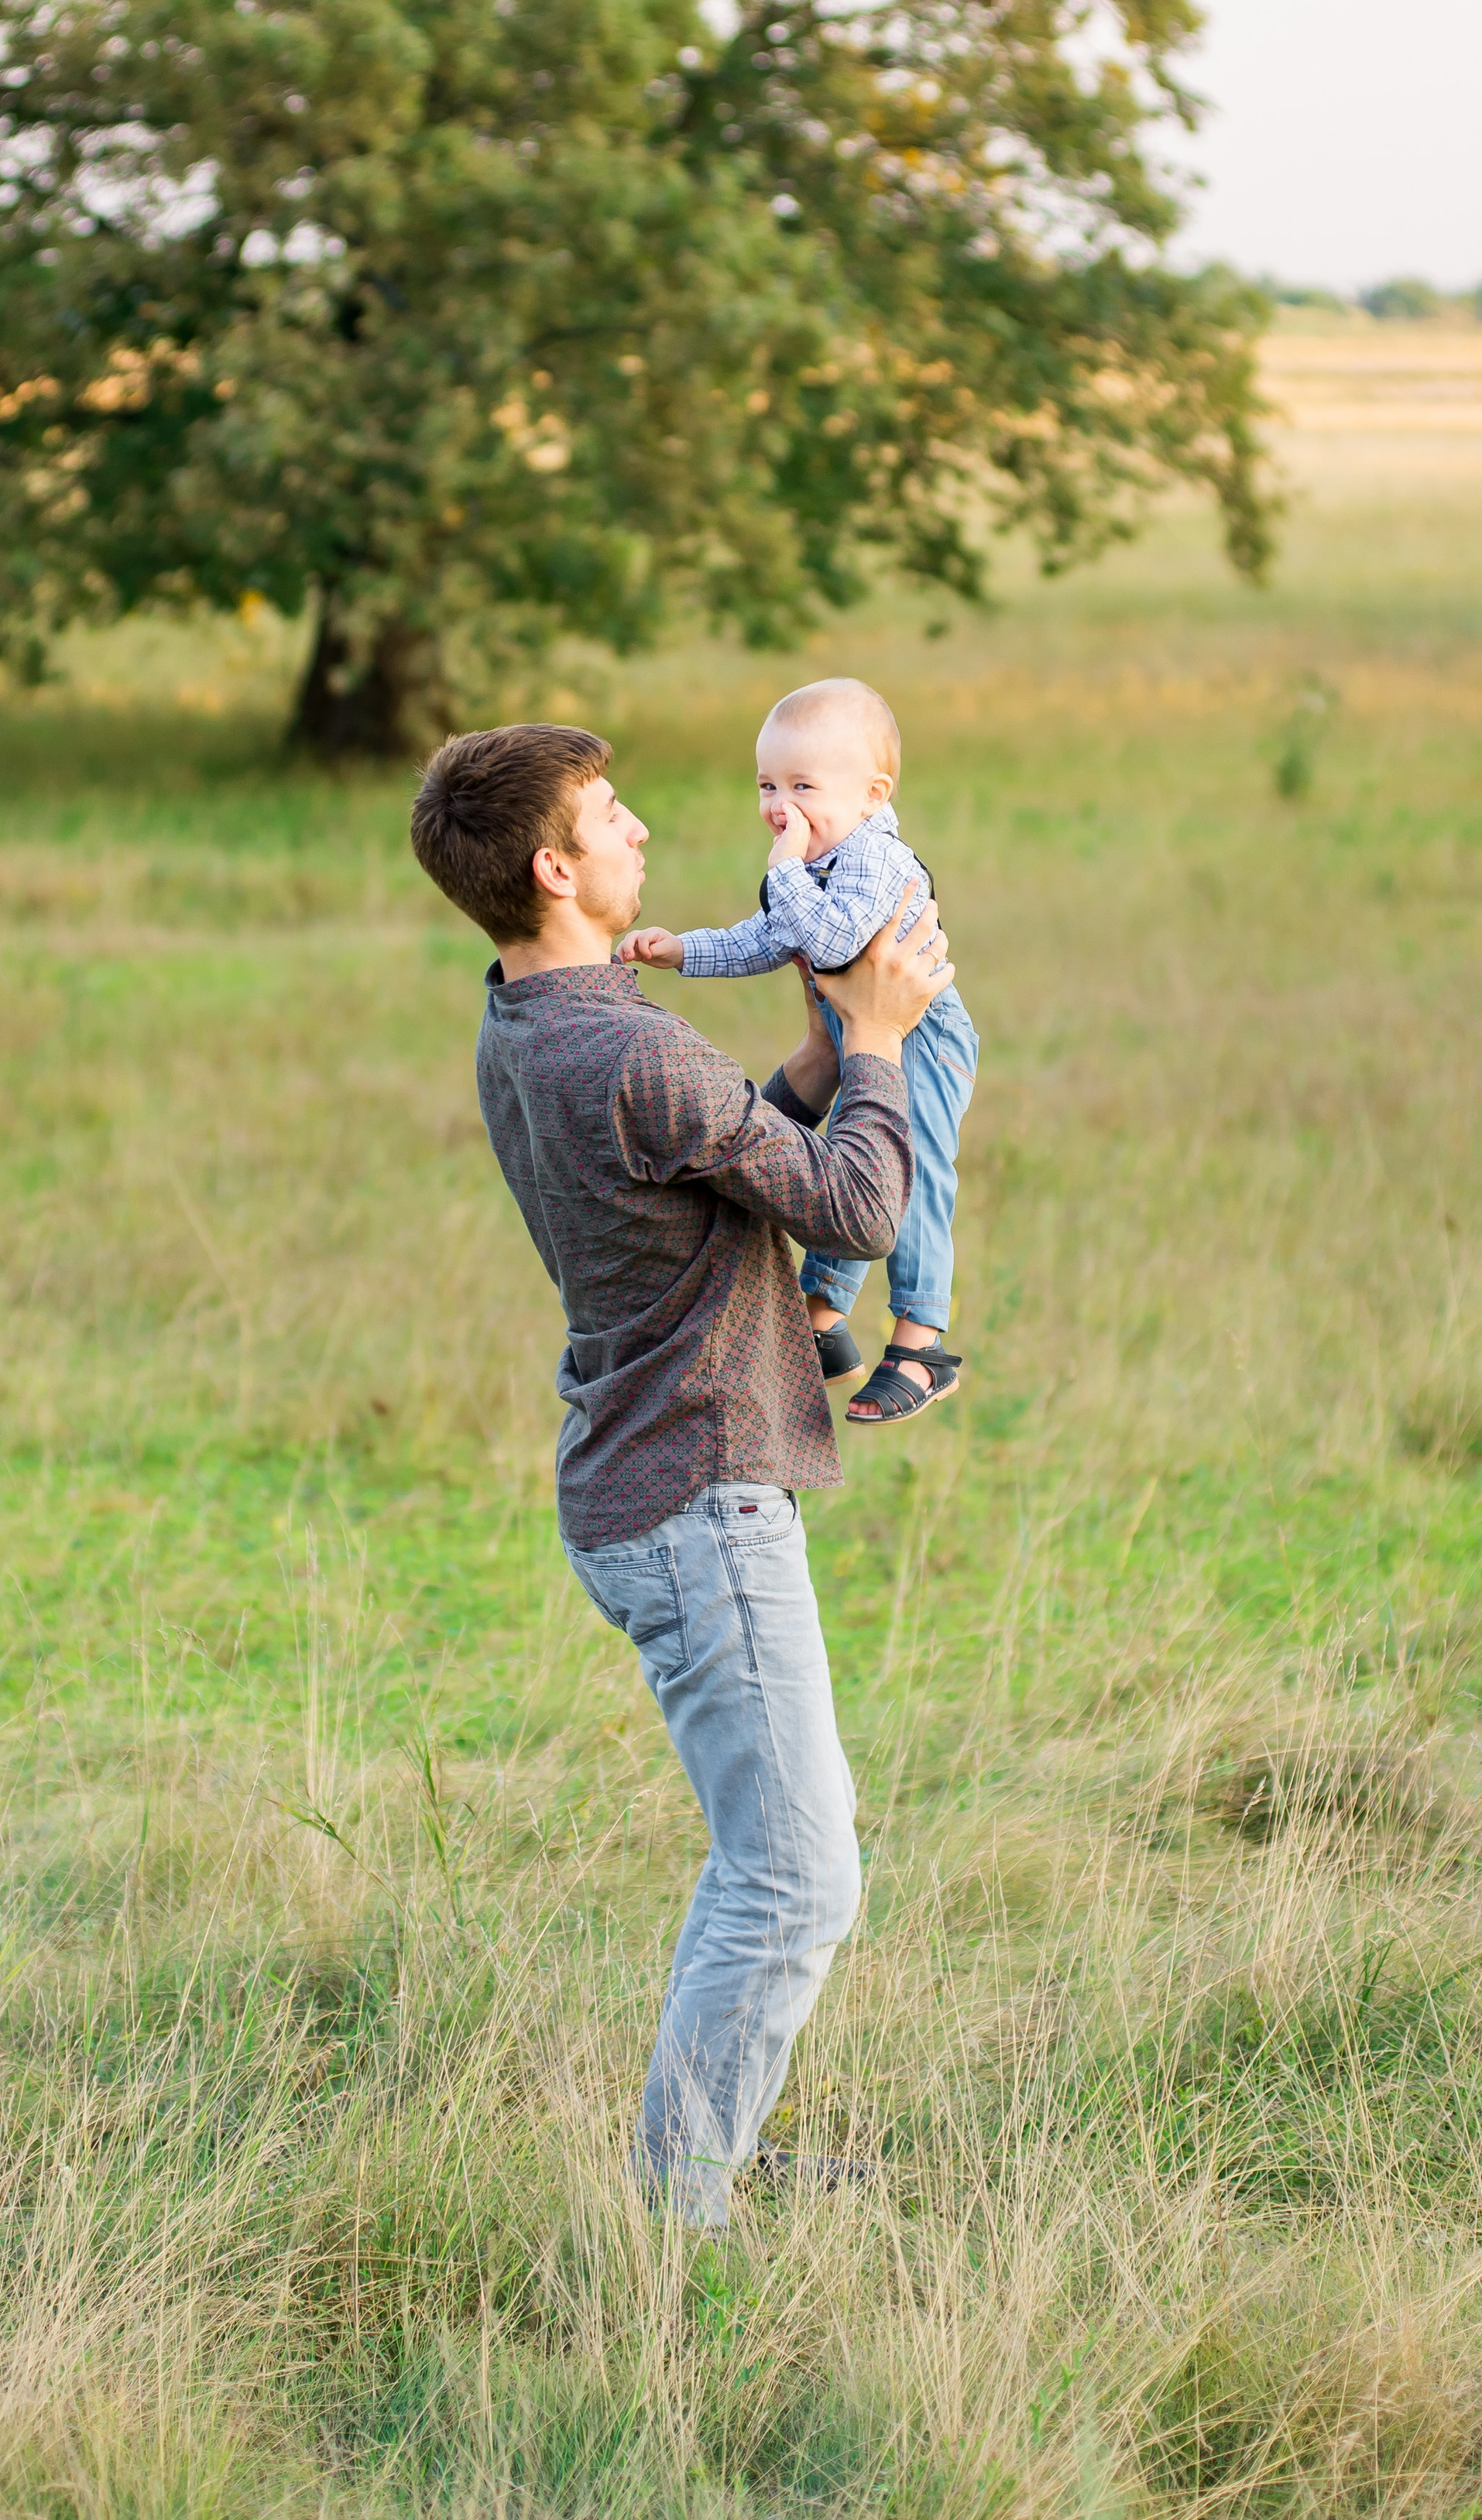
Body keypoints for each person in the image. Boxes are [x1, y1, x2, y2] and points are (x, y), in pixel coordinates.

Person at [408, 721, 953, 2227]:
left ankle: (708, 2151)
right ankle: (680, 2221)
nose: (641, 828)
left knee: (773, 1857)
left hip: (642, 1480)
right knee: (795, 1880)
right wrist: (881, 1045)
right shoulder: (629, 1046)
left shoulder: (529, 1022)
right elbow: (853, 1203)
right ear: (553, 868)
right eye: (608, 814)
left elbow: (700, 1157)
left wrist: (811, 1062)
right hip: (696, 1496)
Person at [618, 677, 977, 1423]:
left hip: (924, 1036)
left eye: (803, 786)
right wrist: (683, 951)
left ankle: (922, 1343)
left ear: (873, 795)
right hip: (866, 1034)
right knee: (851, 1164)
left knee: (912, 1174)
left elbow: (834, 941)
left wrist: (783, 868)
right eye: (767, 785)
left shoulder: (875, 859)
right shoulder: (815, 865)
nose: (781, 805)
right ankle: (822, 1321)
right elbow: (765, 939)